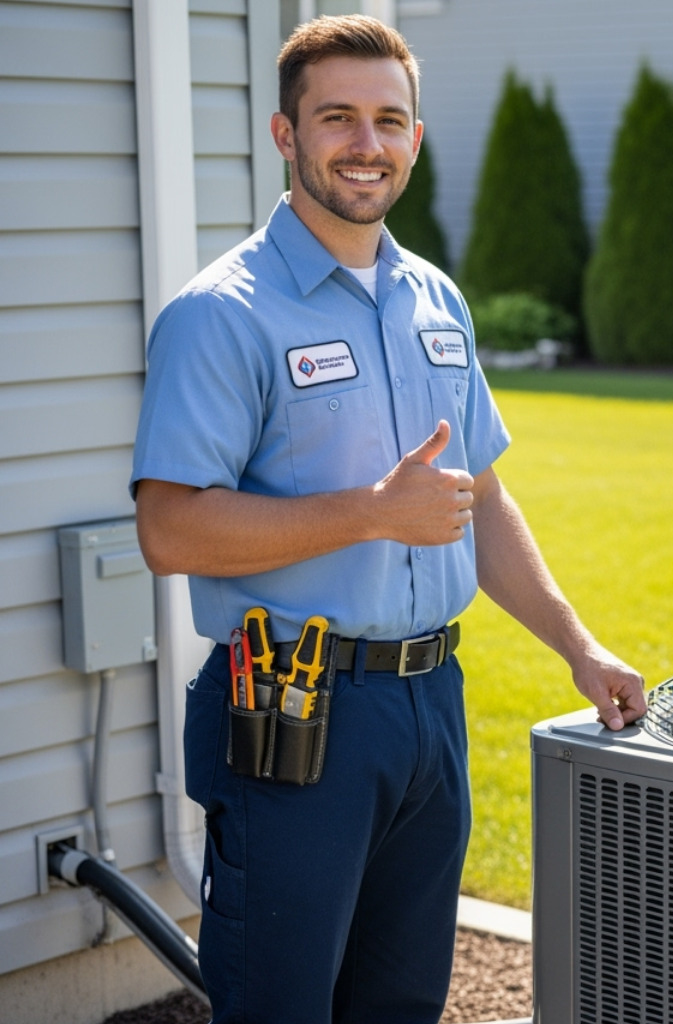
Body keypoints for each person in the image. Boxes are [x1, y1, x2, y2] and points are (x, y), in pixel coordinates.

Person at [130, 15, 646, 1022]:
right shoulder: (222, 313)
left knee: (403, 998)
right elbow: (171, 529)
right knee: (282, 1004)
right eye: (337, 117)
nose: (366, 143)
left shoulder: (434, 299)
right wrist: (370, 514)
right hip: (294, 709)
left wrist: (578, 647)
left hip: (430, 705)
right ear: (287, 135)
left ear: (414, 137)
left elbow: (477, 498)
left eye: (389, 120)